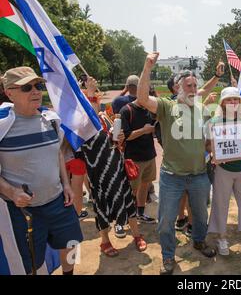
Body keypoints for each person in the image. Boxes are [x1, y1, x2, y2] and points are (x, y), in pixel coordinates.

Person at [137, 52, 224, 275]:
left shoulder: (201, 109)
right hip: (171, 178)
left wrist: (214, 149)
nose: (194, 89)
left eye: (196, 85)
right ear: (177, 88)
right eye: (189, 85)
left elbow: (206, 139)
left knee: (201, 214)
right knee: (166, 221)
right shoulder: (167, 107)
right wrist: (147, 67)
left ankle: (198, 241)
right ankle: (168, 256)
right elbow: (143, 98)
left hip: (199, 175)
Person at [0, 67, 83, 275]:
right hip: (25, 212)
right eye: (27, 87)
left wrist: (66, 184)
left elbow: (57, 154)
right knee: (33, 263)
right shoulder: (2, 126)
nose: (36, 91)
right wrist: (12, 192)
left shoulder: (51, 120)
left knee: (73, 244)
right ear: (9, 92)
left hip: (58, 201)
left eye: (38, 85)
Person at [81, 76, 147, 256]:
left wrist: (119, 139)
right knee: (101, 206)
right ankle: (105, 242)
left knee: (127, 201)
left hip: (116, 167)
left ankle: (136, 235)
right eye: (89, 96)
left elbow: (112, 137)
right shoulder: (81, 120)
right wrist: (91, 94)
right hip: (99, 171)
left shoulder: (104, 115)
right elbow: (92, 128)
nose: (96, 97)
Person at [206, 87, 241, 256]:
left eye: (236, 99)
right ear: (222, 103)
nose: (233, 102)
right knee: (220, 204)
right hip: (223, 169)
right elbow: (207, 145)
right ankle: (221, 236)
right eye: (229, 100)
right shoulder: (215, 121)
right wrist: (215, 152)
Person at [119, 97, 158, 227]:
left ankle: (140, 212)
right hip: (134, 158)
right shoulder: (126, 110)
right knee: (131, 190)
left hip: (149, 155)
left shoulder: (148, 109)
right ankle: (124, 218)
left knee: (145, 185)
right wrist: (144, 130)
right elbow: (126, 136)